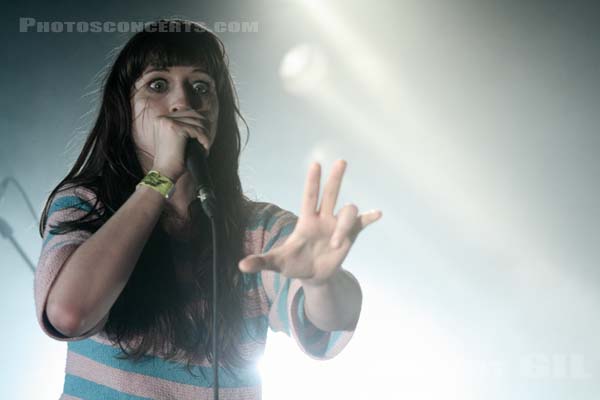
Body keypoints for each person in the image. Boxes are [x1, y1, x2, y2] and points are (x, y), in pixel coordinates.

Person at [34, 18, 382, 400]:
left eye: (201, 86)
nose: (182, 101)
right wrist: (162, 174)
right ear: (125, 111)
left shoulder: (260, 229)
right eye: (157, 84)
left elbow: (333, 318)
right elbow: (69, 314)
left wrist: (321, 282)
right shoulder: (84, 205)